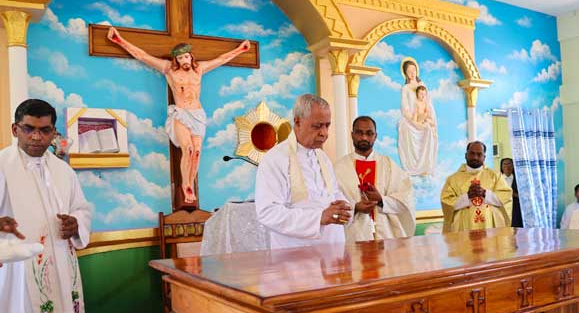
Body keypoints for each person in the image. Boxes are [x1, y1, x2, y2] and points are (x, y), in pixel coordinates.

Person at [0, 99, 92, 313]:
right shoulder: (2, 167)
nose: (37, 137)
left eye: (44, 130)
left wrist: (76, 224)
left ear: (54, 132)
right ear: (16, 129)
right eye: (29, 129)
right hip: (18, 284)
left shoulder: (63, 171)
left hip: (63, 282)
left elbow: (82, 209)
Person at [107, 27, 250, 204]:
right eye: (180, 57)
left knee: (197, 152)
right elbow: (142, 56)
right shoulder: (169, 69)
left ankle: (191, 183)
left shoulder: (199, 70)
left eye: (186, 56)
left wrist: (241, 49)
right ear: (176, 59)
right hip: (181, 114)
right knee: (188, 149)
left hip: (198, 115)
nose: (184, 60)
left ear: (191, 56)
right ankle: (185, 185)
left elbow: (221, 59)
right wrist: (119, 40)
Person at [255, 94, 352, 249]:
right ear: (298, 122)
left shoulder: (323, 158)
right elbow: (268, 212)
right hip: (294, 254)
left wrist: (344, 207)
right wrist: (318, 218)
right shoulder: (275, 159)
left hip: (333, 251)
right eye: (317, 126)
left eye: (327, 125)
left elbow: (333, 194)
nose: (324, 133)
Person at [334, 116, 415, 242]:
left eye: (369, 133)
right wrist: (355, 207)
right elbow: (332, 202)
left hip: (386, 237)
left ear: (375, 136)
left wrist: (381, 200)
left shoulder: (388, 165)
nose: (364, 137)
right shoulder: (339, 168)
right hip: (353, 238)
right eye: (359, 132)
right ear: (352, 135)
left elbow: (406, 197)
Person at [441, 141, 512, 233]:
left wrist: (485, 193)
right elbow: (446, 202)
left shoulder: (495, 176)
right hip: (463, 227)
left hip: (490, 226)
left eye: (479, 154)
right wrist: (467, 197)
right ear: (466, 155)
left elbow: (506, 197)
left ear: (484, 157)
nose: (475, 157)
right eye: (472, 153)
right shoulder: (453, 179)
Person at [397, 58, 437, 176]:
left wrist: (428, 117)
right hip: (411, 119)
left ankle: (426, 166)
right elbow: (405, 108)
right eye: (409, 71)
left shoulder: (422, 85)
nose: (412, 73)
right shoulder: (405, 88)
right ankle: (413, 167)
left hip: (423, 117)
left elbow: (428, 103)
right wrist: (413, 121)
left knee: (428, 129)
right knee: (406, 128)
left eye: (414, 70)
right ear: (405, 73)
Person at [500, 157, 523, 227]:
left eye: (509, 164)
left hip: (516, 209)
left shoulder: (519, 178)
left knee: (516, 228)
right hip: (502, 208)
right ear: (501, 167)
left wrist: (515, 194)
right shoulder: (498, 179)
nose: (507, 166)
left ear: (513, 166)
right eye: (505, 164)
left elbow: (524, 195)